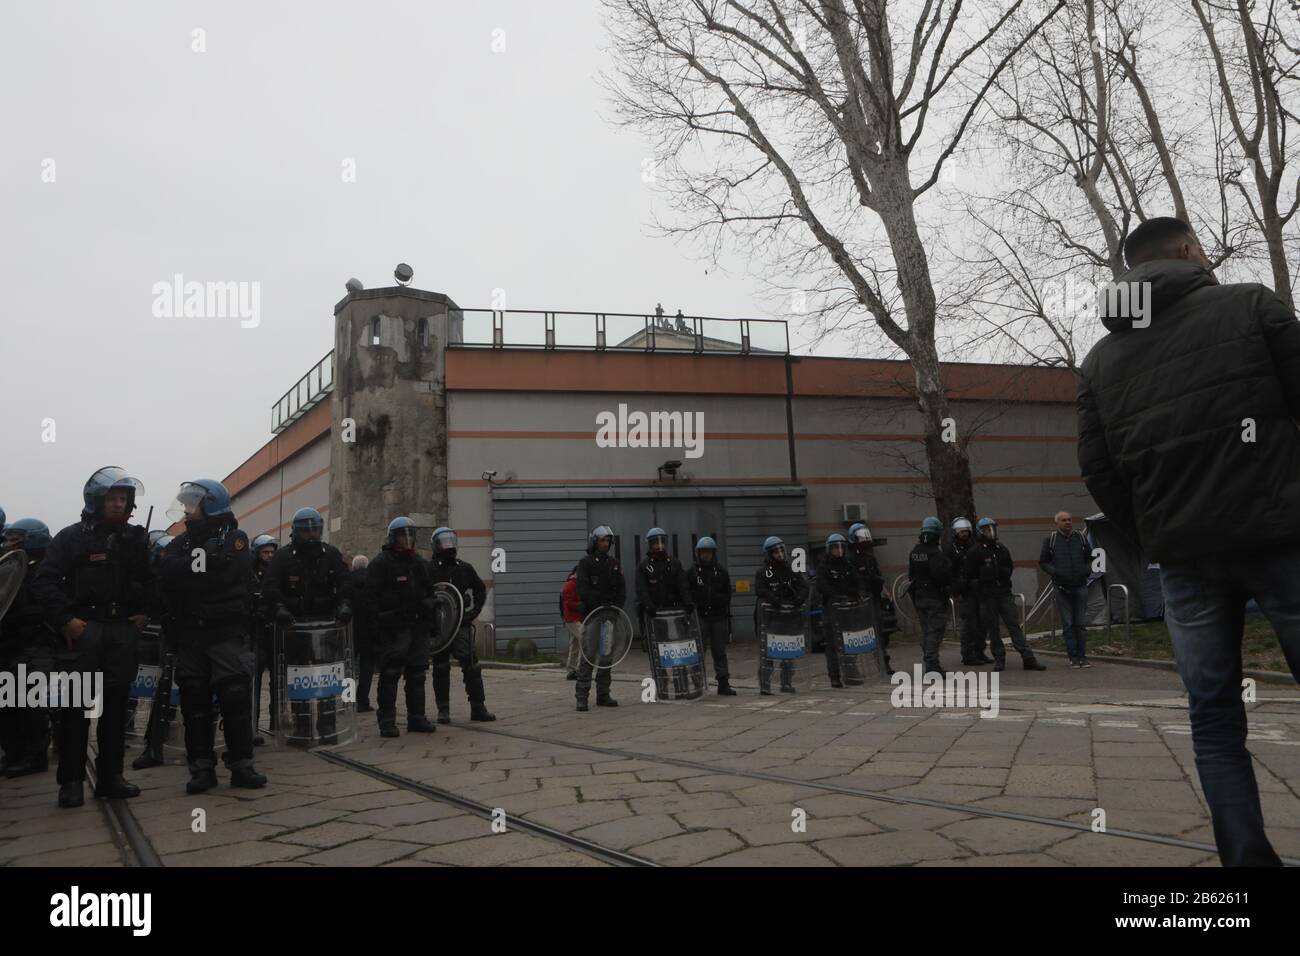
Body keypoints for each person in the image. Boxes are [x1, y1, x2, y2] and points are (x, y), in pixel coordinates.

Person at [1078, 215, 1300, 867]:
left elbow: (1100, 472)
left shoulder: (1099, 362)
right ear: (1189, 251)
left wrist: (1155, 531)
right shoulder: (1250, 304)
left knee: (1213, 719)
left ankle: (1247, 863)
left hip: (1183, 560)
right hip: (1281, 534)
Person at [32, 467, 151, 809]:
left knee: (116, 709)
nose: (118, 504)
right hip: (84, 631)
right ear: (97, 501)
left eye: (124, 499)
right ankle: (70, 782)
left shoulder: (136, 538)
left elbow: (149, 580)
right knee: (74, 711)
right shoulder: (71, 537)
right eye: (112, 499)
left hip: (122, 631)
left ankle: (111, 777)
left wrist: (143, 611)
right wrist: (66, 620)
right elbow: (44, 582)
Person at [157, 480, 266, 793]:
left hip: (226, 633)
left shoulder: (235, 539)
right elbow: (168, 573)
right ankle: (201, 768)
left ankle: (242, 765)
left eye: (193, 504)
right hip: (190, 635)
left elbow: (229, 571)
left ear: (212, 504)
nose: (188, 512)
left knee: (235, 696)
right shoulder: (179, 544)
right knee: (194, 701)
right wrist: (203, 563)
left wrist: (196, 568)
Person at [263, 509, 351, 745]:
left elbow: (345, 583)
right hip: (295, 628)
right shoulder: (283, 557)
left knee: (326, 679)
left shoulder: (330, 555)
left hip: (327, 627)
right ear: (296, 531)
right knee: (300, 678)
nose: (312, 534)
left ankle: (328, 726)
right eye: (306, 530)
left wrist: (344, 605)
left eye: (315, 529)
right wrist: (279, 609)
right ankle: (302, 727)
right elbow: (270, 587)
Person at [365, 517, 435, 737]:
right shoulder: (381, 563)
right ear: (393, 537)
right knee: (391, 673)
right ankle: (387, 720)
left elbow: (431, 592)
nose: (407, 539)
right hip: (393, 627)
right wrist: (378, 627)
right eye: (403, 535)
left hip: (417, 627)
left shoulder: (420, 563)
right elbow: (370, 600)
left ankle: (417, 718)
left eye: (410, 535)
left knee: (417, 674)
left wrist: (429, 605)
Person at [0, 519, 54, 779]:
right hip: (10, 642)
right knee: (7, 705)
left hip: (35, 643)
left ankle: (35, 756)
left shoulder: (46, 570)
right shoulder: (11, 565)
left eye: (16, 537)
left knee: (28, 702)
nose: (10, 541)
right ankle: (13, 754)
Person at [427, 527, 495, 723]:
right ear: (436, 545)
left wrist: (473, 613)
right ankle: (443, 710)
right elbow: (422, 594)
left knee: (472, 666)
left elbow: (480, 589)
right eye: (444, 541)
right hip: (438, 627)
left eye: (451, 540)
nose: (448, 544)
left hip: (460, 624)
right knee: (440, 668)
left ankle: (478, 707)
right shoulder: (429, 569)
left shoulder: (464, 568)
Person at [964, 518, 1046, 673]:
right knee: (993, 629)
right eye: (988, 529)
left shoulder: (1001, 549)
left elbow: (1009, 566)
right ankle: (999, 659)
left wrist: (1003, 575)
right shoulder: (975, 552)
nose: (991, 532)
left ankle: (1028, 658)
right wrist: (980, 586)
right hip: (987, 596)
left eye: (993, 529)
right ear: (981, 531)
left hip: (1004, 593)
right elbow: (969, 575)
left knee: (1014, 626)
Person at [573, 525, 626, 711]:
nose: (605, 544)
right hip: (592, 617)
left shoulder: (614, 564)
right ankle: (582, 697)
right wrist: (598, 607)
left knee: (606, 657)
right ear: (594, 541)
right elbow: (583, 590)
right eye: (602, 540)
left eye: (608, 541)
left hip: (609, 618)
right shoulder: (585, 563)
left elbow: (621, 589)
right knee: (588, 656)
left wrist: (616, 609)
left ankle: (603, 695)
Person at [755, 536, 809, 695]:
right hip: (771, 619)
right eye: (776, 552)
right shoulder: (763, 572)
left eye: (781, 551)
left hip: (789, 617)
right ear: (769, 554)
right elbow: (760, 590)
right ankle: (765, 684)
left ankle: (786, 682)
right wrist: (775, 600)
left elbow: (804, 587)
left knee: (788, 652)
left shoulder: (791, 570)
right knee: (768, 653)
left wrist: (799, 599)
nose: (780, 555)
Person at [1039, 512, 1092, 668]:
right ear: (1057, 523)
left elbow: (1090, 557)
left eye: (1069, 520)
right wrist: (1055, 572)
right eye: (1064, 520)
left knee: (1080, 624)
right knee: (1068, 624)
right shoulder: (1051, 540)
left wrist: (1086, 569)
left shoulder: (1080, 538)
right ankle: (1073, 656)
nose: (1068, 522)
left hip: (1081, 585)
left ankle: (1083, 656)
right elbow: (1043, 561)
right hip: (1062, 588)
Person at [687, 536, 734, 695]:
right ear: (698, 553)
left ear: (714, 553)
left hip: (718, 617)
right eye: (703, 552)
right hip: (700, 617)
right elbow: (687, 593)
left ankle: (723, 683)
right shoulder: (692, 573)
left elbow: (728, 593)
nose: (706, 555)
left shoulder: (721, 572)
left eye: (708, 552)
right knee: (698, 651)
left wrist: (718, 601)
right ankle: (697, 683)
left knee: (719, 651)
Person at [813, 533, 861, 688]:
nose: (839, 551)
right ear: (829, 549)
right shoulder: (824, 566)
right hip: (832, 611)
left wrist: (853, 594)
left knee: (849, 642)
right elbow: (822, 586)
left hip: (848, 610)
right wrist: (837, 596)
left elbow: (857, 583)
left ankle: (851, 672)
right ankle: (835, 676)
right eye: (836, 548)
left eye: (842, 548)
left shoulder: (848, 565)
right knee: (833, 645)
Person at [908, 517, 951, 677]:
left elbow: (911, 575)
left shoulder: (915, 551)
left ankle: (931, 663)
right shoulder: (935, 553)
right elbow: (940, 576)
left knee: (927, 631)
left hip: (919, 597)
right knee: (935, 631)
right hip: (934, 597)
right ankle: (932, 665)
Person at [847, 523, 892, 674]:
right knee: (856, 635)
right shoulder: (850, 559)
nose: (865, 540)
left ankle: (883, 663)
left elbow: (877, 576)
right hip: (858, 602)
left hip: (873, 600)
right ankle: (852, 667)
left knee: (878, 632)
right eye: (861, 537)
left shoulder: (870, 558)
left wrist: (880, 586)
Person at [248, 533, 279, 743]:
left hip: (275, 633)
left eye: (271, 552)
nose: (269, 555)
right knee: (254, 682)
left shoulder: (278, 572)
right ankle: (252, 725)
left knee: (278, 680)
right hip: (256, 633)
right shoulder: (250, 573)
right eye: (265, 552)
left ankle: (277, 721)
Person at [947, 517, 989, 665]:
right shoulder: (951, 549)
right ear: (955, 533)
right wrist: (956, 590)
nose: (964, 534)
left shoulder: (975, 546)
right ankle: (967, 654)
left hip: (978, 590)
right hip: (964, 592)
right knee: (968, 625)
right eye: (961, 532)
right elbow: (950, 572)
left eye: (966, 532)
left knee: (982, 623)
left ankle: (979, 651)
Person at [349, 554, 376, 712]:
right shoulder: (373, 580)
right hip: (369, 629)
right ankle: (363, 701)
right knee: (367, 666)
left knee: (348, 665)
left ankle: (348, 700)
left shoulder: (347, 580)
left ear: (353, 567)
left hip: (350, 629)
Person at [560, 568, 583, 680]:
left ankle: (571, 670)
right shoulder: (570, 585)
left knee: (575, 644)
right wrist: (579, 605)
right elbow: (568, 603)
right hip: (572, 619)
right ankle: (579, 669)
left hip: (574, 618)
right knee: (585, 640)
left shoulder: (575, 584)